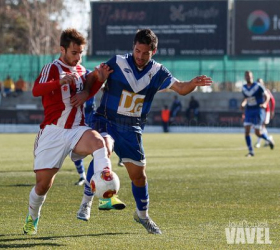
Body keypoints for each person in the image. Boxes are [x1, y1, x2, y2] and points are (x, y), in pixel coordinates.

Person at [76, 29, 212, 234]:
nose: (140, 56)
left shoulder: (158, 72)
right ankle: (86, 202)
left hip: (131, 129)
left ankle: (142, 216)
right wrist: (89, 90)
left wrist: (193, 83)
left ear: (153, 51)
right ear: (133, 47)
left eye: (145, 53)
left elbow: (181, 88)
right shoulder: (118, 62)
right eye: (137, 51)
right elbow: (94, 76)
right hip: (107, 120)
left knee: (139, 177)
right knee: (103, 149)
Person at [22, 28, 125, 236]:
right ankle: (32, 218)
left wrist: (99, 81)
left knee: (100, 143)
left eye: (80, 53)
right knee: (43, 186)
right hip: (53, 132)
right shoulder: (52, 68)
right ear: (63, 49)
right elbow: (35, 90)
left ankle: (106, 195)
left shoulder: (81, 71)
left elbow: (87, 92)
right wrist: (58, 82)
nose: (78, 57)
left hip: (77, 129)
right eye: (74, 53)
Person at [241, 71, 274, 157]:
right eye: (246, 76)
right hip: (248, 111)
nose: (248, 77)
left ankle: (268, 139)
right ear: (245, 78)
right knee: (247, 131)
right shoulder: (244, 87)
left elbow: (268, 96)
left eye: (249, 76)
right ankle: (251, 151)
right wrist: (243, 104)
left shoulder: (258, 86)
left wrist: (265, 103)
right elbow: (246, 98)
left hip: (257, 110)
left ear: (252, 77)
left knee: (257, 132)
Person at [73, 96, 96, 186]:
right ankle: (82, 176)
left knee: (97, 149)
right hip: (76, 119)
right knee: (74, 148)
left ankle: (100, 176)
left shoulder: (91, 82)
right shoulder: (75, 83)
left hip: (91, 118)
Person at [255, 78, 275, 148]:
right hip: (259, 111)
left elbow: (272, 101)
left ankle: (258, 143)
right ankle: (269, 139)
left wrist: (272, 110)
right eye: (257, 82)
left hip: (266, 111)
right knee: (262, 127)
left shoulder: (266, 91)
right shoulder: (256, 92)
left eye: (260, 82)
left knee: (261, 127)